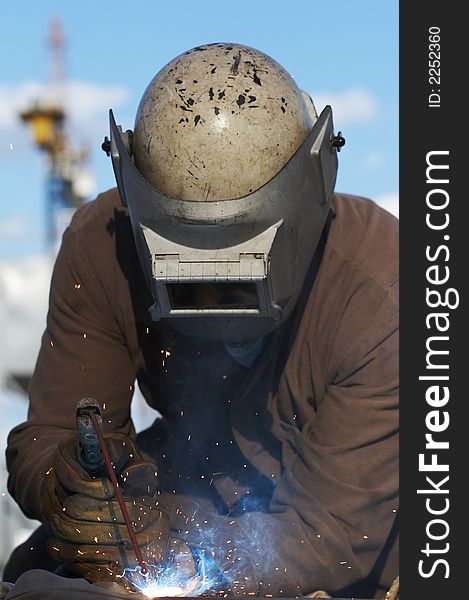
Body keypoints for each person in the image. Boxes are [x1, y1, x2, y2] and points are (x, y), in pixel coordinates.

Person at [4, 42, 398, 599]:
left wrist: (188, 562)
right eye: (190, 278)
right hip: (194, 493)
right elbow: (45, 441)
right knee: (35, 571)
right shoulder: (104, 248)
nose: (212, 301)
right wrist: (72, 490)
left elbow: (326, 533)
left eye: (235, 278)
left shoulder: (383, 293)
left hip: (364, 517)